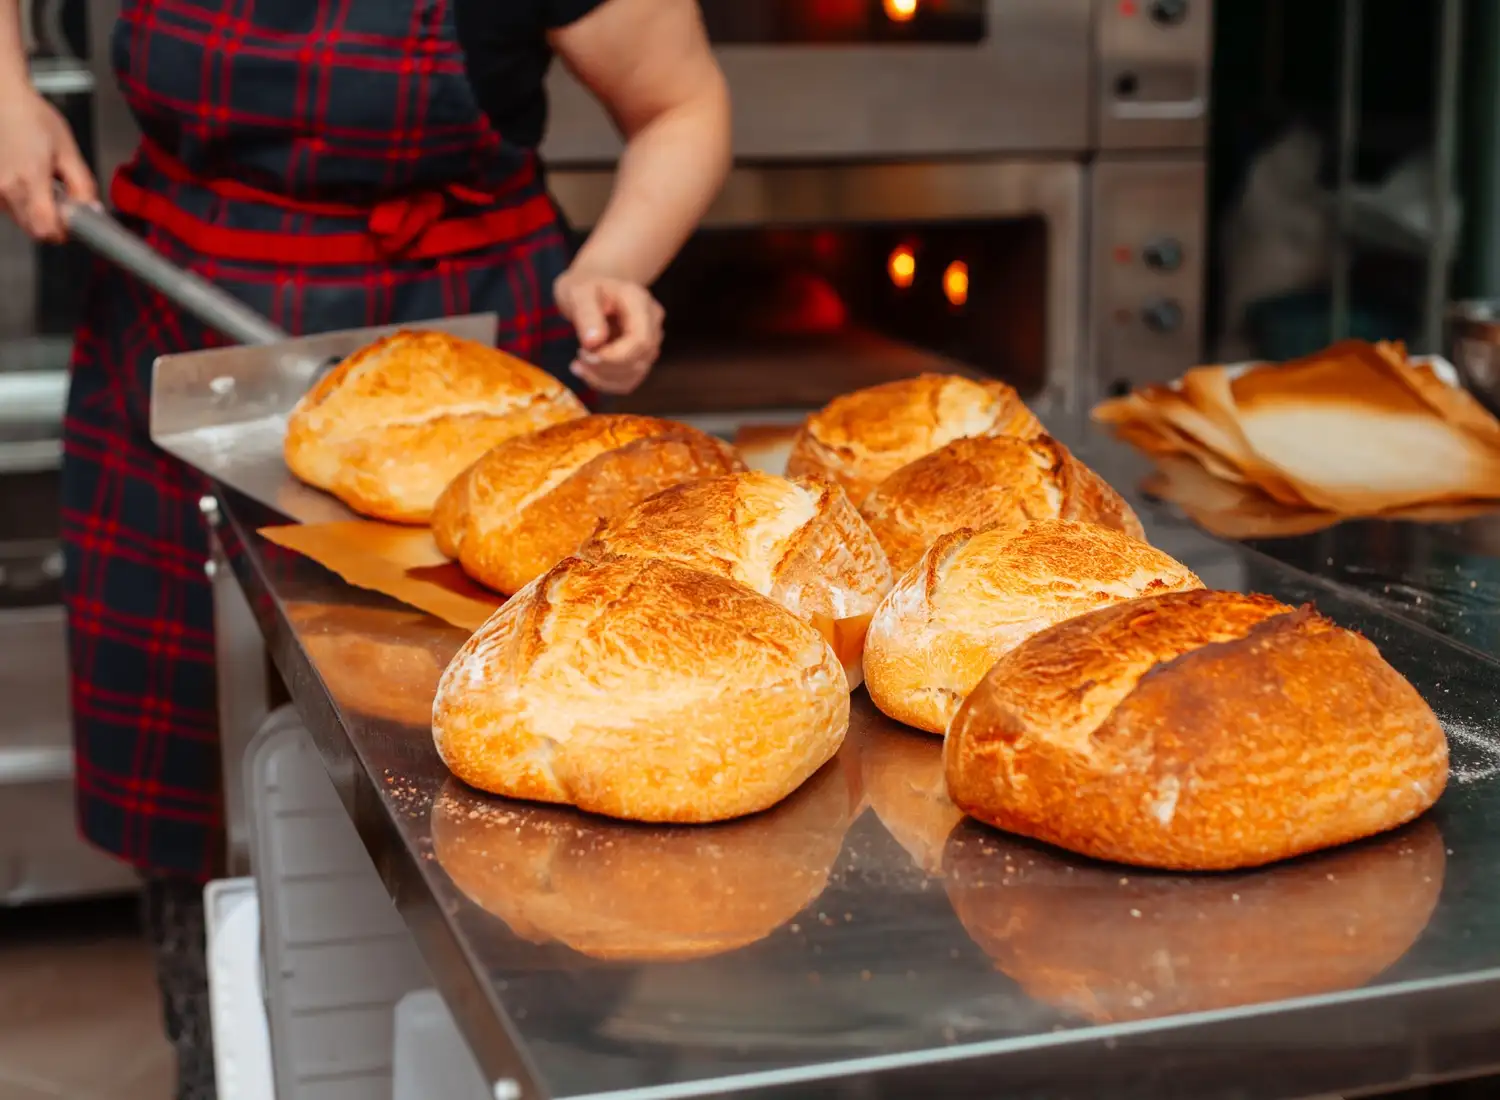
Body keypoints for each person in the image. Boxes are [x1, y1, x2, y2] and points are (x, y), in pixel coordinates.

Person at [0, 1, 729, 1096]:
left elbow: (682, 103)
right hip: (182, 348)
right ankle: (220, 1060)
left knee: (507, 799)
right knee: (200, 788)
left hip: (464, 368)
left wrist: (614, 265)